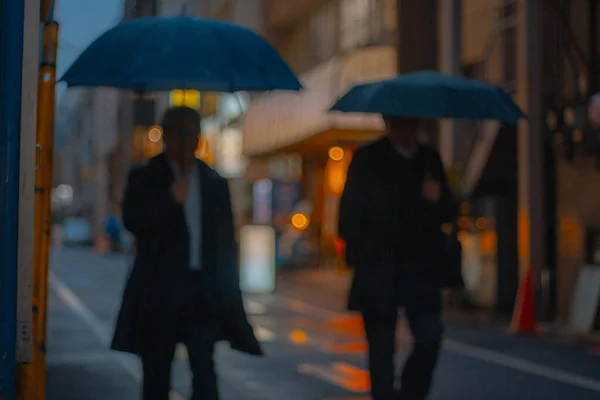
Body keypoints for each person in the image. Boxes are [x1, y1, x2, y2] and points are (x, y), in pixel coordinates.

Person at [111, 106, 262, 400]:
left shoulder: (213, 181)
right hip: (160, 294)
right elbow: (133, 221)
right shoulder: (146, 177)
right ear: (166, 136)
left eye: (193, 133)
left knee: (204, 370)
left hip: (201, 293)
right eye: (181, 133)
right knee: (156, 374)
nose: (188, 140)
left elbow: (224, 243)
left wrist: (228, 291)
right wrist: (170, 200)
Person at [338, 116, 457, 400]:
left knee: (429, 335)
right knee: (381, 349)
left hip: (420, 266)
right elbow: (349, 214)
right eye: (399, 123)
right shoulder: (368, 159)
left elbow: (448, 210)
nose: (405, 129)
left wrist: (436, 199)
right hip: (379, 266)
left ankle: (410, 394)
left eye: (410, 124)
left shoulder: (429, 159)